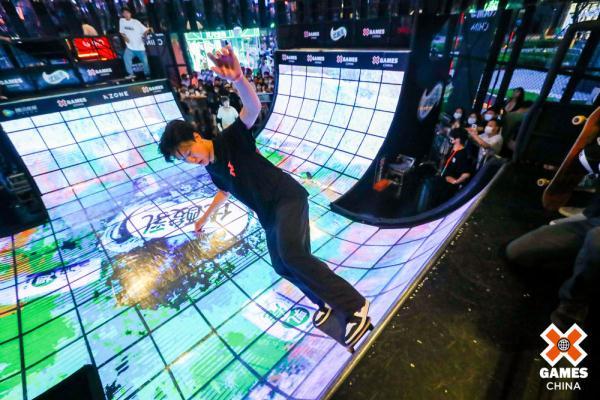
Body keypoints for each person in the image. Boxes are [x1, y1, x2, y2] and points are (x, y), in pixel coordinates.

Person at [158, 45, 370, 345]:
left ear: (196, 136)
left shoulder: (230, 140)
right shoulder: (212, 168)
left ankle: (355, 305)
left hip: (287, 198)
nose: (192, 160)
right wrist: (205, 218)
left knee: (294, 255)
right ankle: (325, 301)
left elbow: (252, 109)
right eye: (185, 160)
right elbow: (224, 191)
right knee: (282, 264)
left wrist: (238, 79)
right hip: (269, 215)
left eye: (189, 152)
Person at [505, 140, 600, 330]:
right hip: (593, 220)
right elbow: (582, 162)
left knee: (596, 241)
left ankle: (573, 307)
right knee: (518, 252)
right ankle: (588, 265)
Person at [119, 6, 151, 79]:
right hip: (130, 47)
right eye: (124, 13)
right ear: (123, 14)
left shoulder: (136, 22)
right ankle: (131, 74)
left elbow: (146, 30)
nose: (126, 14)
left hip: (140, 47)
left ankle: (147, 75)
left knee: (145, 62)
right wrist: (125, 37)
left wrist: (145, 36)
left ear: (130, 13)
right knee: (126, 58)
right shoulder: (121, 21)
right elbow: (121, 32)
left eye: (127, 13)